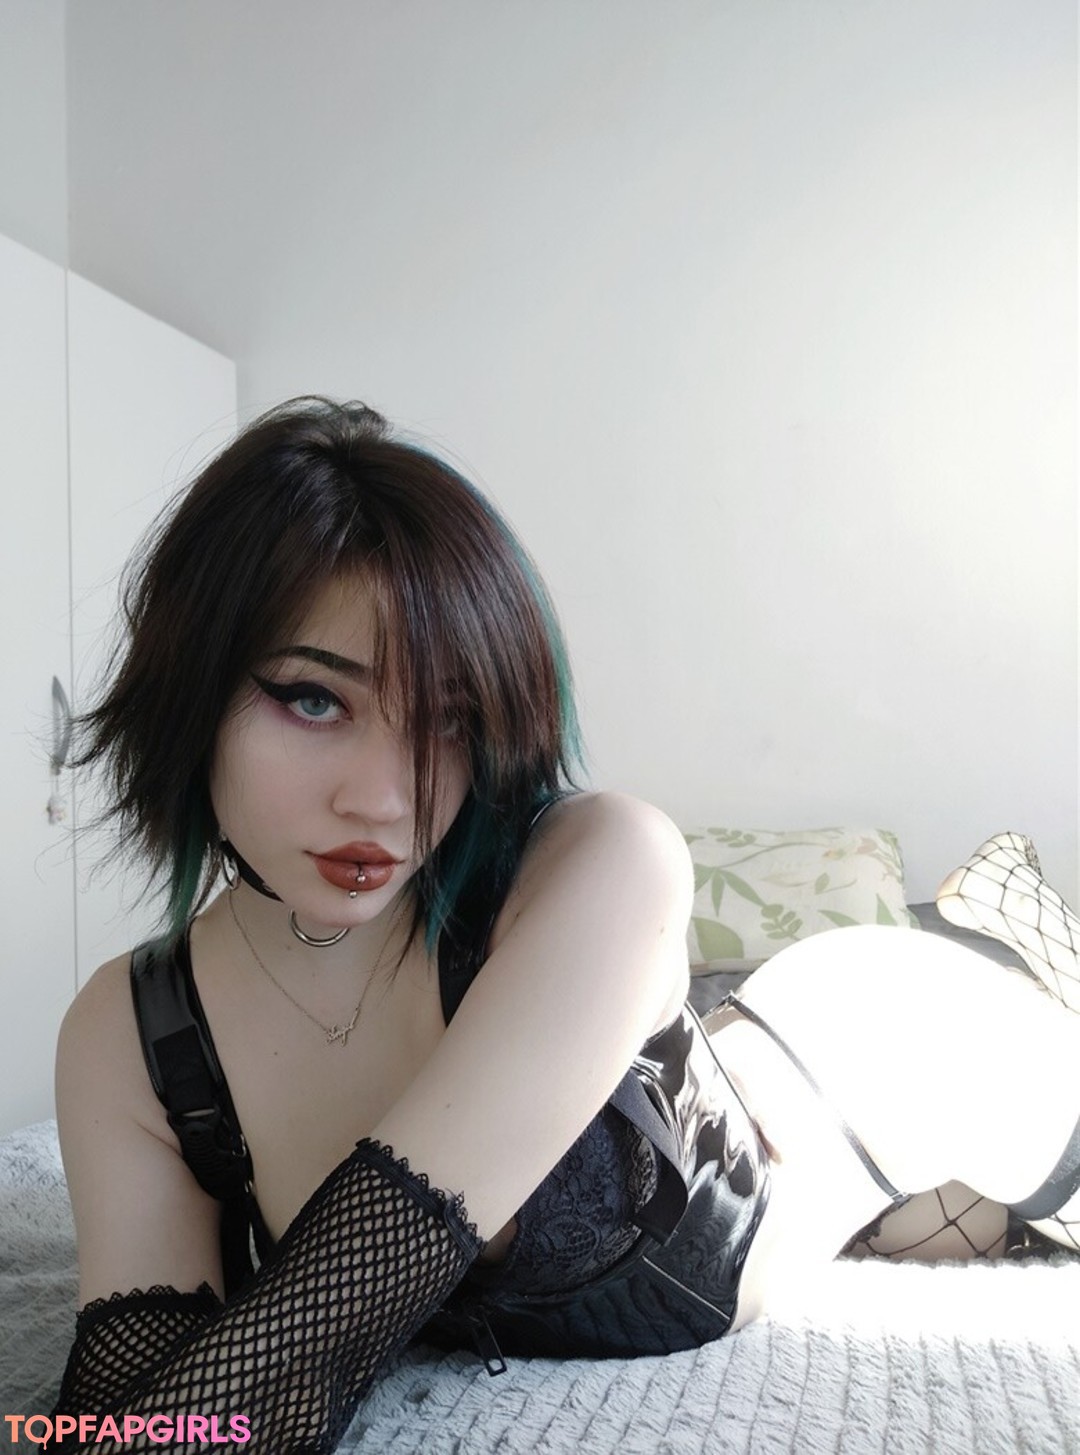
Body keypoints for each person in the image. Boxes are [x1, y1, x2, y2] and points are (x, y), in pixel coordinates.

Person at [48, 398, 1080, 1453]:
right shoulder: (130, 1034)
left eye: (449, 719)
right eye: (314, 699)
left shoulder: (607, 858)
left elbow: (291, 1364)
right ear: (188, 685)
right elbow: (124, 1408)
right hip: (701, 1052)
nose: (385, 801)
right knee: (951, 1227)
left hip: (888, 1046)